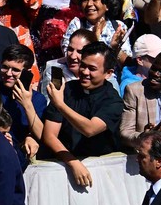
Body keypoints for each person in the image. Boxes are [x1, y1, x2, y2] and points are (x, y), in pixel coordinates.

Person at [39, 42, 124, 185]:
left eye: (92, 69)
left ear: (108, 73)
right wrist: (73, 162)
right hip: (65, 166)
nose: (84, 72)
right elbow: (49, 136)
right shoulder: (66, 90)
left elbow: (90, 129)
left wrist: (60, 105)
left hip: (102, 172)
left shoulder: (113, 101)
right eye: (83, 65)